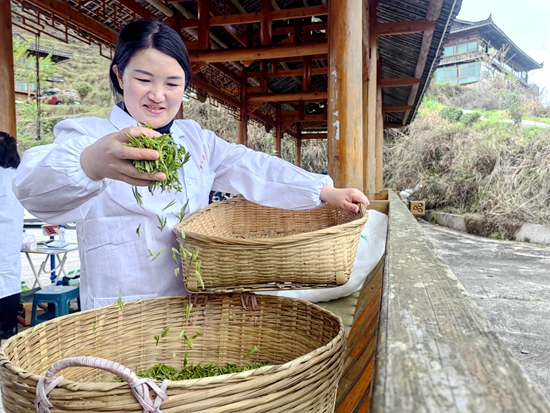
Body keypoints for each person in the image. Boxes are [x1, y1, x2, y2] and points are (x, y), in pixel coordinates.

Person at [13, 19, 369, 311]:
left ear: (185, 85)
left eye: (172, 83)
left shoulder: (194, 139)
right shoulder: (88, 135)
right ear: (120, 76)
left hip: (194, 306)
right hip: (119, 314)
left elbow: (252, 167)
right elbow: (34, 191)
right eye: (143, 79)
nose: (158, 95)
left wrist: (322, 190)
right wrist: (91, 163)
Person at [0, 132, 24, 339]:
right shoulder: (17, 174)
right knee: (9, 277)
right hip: (13, 234)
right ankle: (10, 326)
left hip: (3, 233)